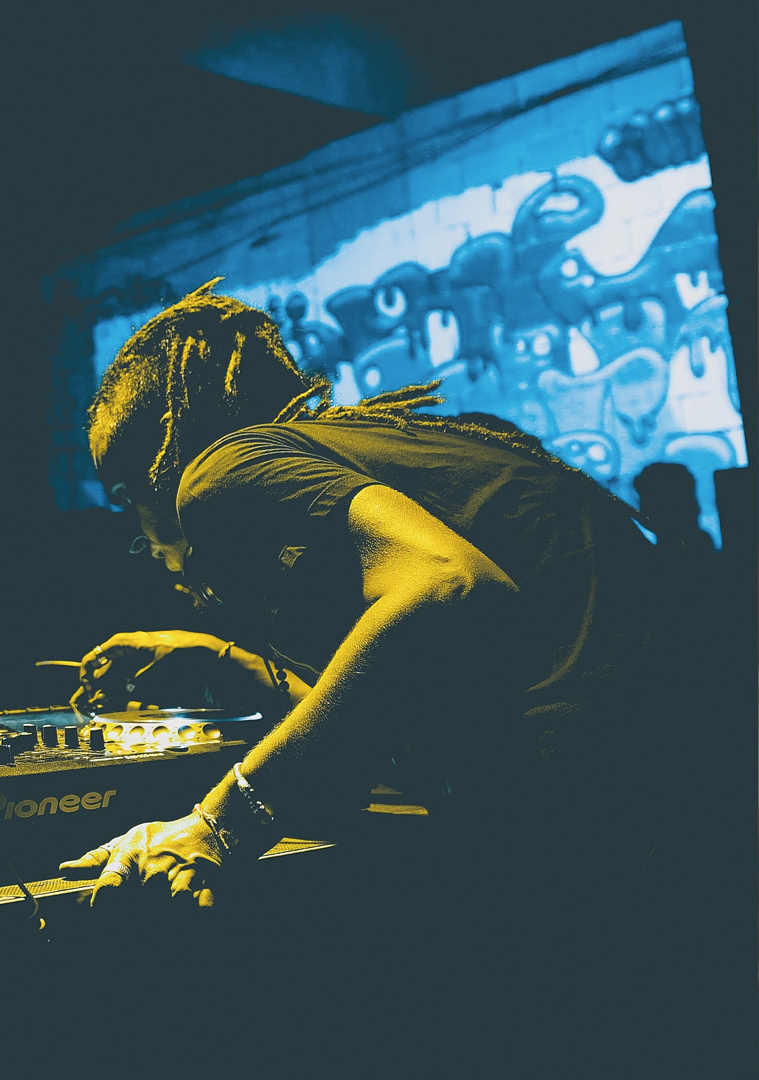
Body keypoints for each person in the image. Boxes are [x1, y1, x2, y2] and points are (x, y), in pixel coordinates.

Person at [51, 280, 745, 1065]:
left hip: (606, 828)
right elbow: (390, 699)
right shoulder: (378, 449)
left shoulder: (217, 470)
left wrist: (217, 825)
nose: (141, 539)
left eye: (127, 504)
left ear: (153, 470)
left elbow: (450, 585)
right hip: (697, 788)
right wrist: (218, 657)